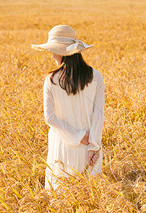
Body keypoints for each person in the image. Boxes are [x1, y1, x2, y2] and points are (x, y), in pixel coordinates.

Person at [32, 25, 104, 190]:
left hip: (62, 147)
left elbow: (50, 118)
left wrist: (79, 137)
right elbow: (99, 115)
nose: (51, 55)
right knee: (90, 198)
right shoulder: (96, 76)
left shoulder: (50, 79)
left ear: (62, 52)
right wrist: (93, 145)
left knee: (59, 201)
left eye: (53, 50)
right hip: (88, 150)